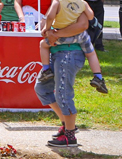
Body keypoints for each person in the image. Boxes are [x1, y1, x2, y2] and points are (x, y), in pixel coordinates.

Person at [37, 0, 108, 93]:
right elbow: (90, 16)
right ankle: (98, 77)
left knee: (43, 45)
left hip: (61, 34)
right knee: (91, 53)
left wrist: (47, 28)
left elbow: (50, 16)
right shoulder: (82, 2)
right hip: (80, 35)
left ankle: (46, 70)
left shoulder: (58, 1)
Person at [34, 10, 92, 147]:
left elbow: (84, 24)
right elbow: (45, 24)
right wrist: (47, 28)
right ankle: (67, 124)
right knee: (41, 88)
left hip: (69, 54)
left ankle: (70, 136)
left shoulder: (77, 3)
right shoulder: (56, 4)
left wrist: (56, 34)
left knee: (64, 95)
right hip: (55, 54)